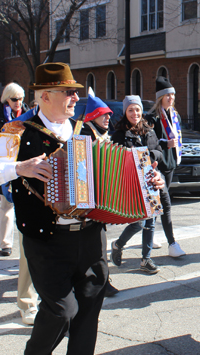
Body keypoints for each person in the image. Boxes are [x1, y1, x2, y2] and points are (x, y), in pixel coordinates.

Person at [0, 63, 163, 355]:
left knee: (89, 310)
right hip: (45, 239)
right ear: (45, 96)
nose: (75, 97)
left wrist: (151, 181)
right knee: (62, 309)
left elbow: (122, 170)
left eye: (75, 91)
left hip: (90, 237)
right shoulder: (18, 132)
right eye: (68, 92)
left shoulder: (87, 131)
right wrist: (19, 167)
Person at [0, 83, 34, 324]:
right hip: (8, 169)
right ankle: (6, 244)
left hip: (29, 174)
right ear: (6, 99)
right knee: (6, 207)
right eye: (14, 99)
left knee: (27, 225)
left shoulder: (28, 115)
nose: (18, 102)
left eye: (21, 99)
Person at [110, 95, 164, 275]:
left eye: (138, 109)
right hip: (131, 183)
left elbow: (159, 152)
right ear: (125, 112)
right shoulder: (119, 134)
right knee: (138, 223)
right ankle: (118, 245)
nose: (135, 113)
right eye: (131, 110)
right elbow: (113, 160)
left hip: (150, 180)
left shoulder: (149, 131)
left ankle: (145, 259)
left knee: (151, 222)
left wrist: (151, 156)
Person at [82, 94, 119, 297]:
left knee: (98, 241)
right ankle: (100, 281)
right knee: (95, 244)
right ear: (93, 116)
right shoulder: (85, 136)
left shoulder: (103, 134)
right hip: (88, 197)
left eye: (108, 115)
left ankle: (102, 279)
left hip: (102, 195)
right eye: (103, 115)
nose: (107, 118)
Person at [145, 76, 186, 258]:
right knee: (164, 203)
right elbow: (151, 143)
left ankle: (150, 234)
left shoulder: (174, 115)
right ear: (160, 97)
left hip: (171, 163)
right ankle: (172, 243)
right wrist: (166, 142)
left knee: (160, 202)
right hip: (158, 164)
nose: (170, 98)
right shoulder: (153, 117)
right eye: (167, 95)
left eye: (172, 95)